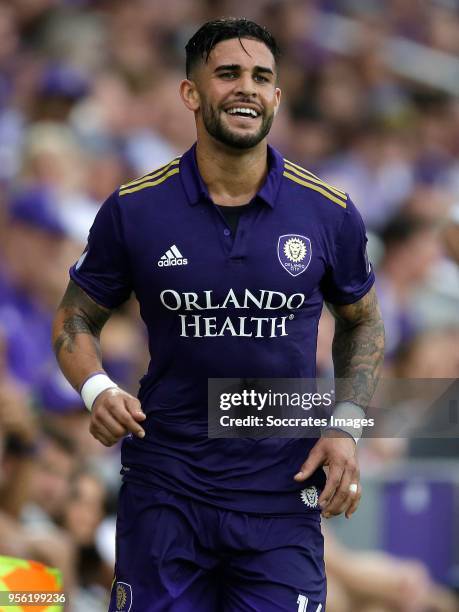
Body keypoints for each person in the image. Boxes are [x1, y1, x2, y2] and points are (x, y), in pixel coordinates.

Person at [52, 18, 384, 612]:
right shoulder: (136, 210)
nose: (246, 88)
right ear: (191, 93)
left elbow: (363, 321)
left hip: (283, 493)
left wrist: (348, 422)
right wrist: (96, 388)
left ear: (278, 97)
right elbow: (74, 319)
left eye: (261, 77)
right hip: (167, 486)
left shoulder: (328, 213)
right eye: (227, 74)